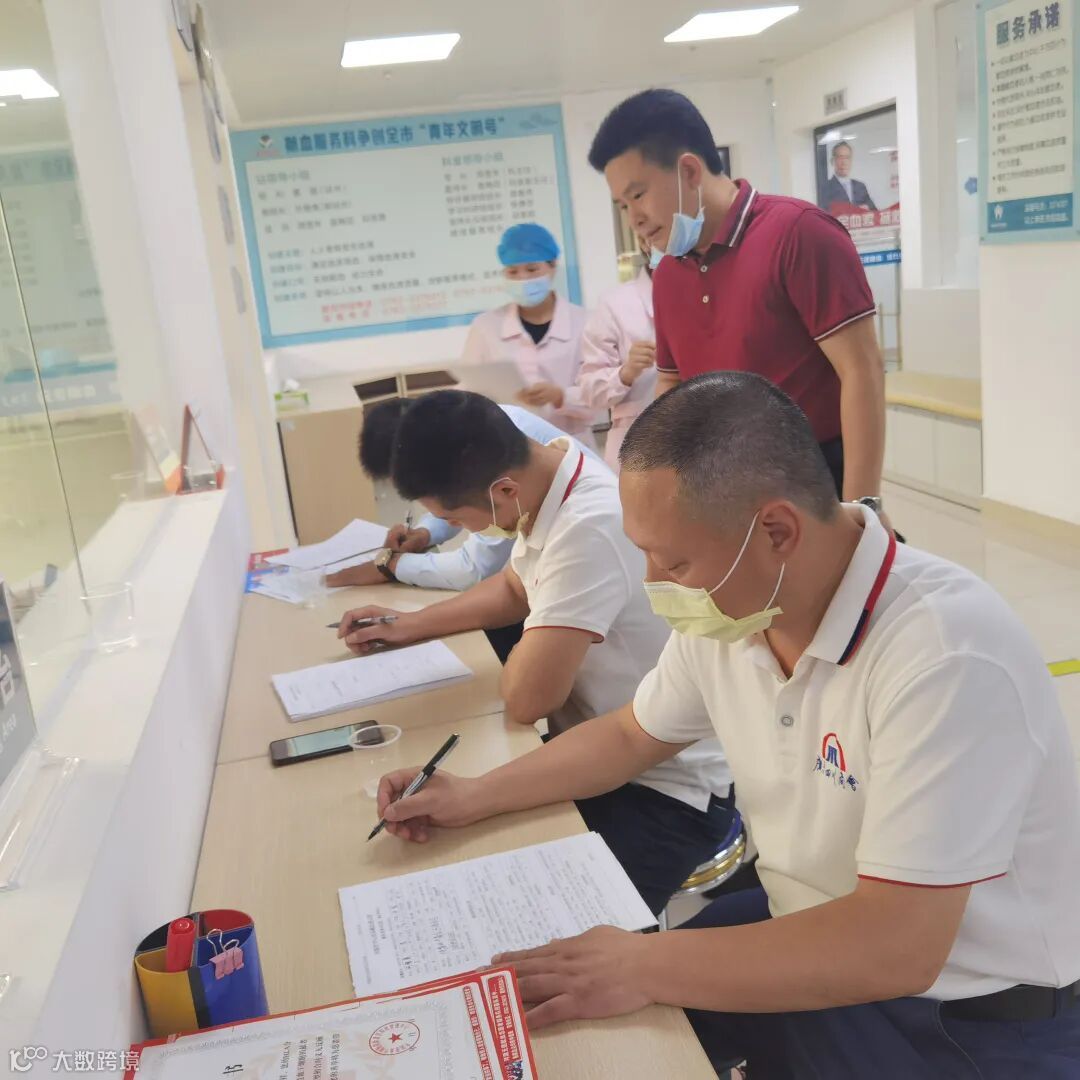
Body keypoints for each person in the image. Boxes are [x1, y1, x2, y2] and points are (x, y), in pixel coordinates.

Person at [371, 373, 1080, 1077]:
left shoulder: (946, 654)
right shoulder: (739, 612)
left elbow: (896, 946)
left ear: (776, 531)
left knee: (617, 1005)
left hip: (956, 1014)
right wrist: (473, 795)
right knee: (561, 1017)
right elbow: (630, 736)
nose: (655, 583)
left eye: (674, 561)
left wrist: (643, 963)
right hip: (803, 922)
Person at [336, 389, 732, 915]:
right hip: (596, 747)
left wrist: (531, 648)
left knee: (518, 912)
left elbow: (528, 699)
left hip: (663, 789)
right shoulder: (548, 480)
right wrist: (409, 625)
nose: (463, 531)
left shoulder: (587, 526)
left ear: (503, 490)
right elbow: (513, 588)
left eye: (458, 519)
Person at [588, 88, 886, 515]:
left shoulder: (799, 233)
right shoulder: (669, 273)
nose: (633, 218)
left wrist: (862, 506)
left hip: (814, 483)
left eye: (638, 195)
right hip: (720, 489)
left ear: (688, 171)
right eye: (622, 205)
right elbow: (672, 386)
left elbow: (862, 369)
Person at [326, 397, 605, 662]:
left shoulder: (568, 521)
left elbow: (474, 569)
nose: (453, 524)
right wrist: (424, 536)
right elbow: (513, 586)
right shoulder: (478, 432)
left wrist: (390, 565)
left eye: (454, 519)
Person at [461, 223, 598, 449]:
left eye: (532, 269)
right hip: (509, 447)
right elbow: (470, 388)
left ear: (552, 267)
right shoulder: (486, 326)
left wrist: (560, 396)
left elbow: (601, 392)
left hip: (573, 445)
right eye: (513, 272)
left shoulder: (585, 322)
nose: (522, 279)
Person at [575, 245, 656, 471]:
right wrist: (625, 374)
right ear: (644, 243)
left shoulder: (708, 292)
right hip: (638, 445)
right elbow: (590, 391)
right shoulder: (616, 303)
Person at [820, 140, 878, 211]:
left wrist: (866, 207)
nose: (844, 162)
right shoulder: (825, 188)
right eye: (840, 157)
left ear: (851, 161)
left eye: (847, 157)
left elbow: (874, 211)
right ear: (833, 161)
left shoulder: (860, 187)